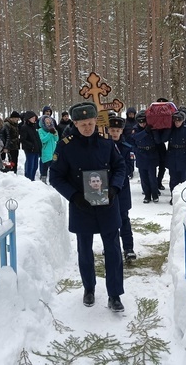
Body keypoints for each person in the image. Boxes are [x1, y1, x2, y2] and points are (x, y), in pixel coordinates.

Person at [49, 101, 126, 312]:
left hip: (107, 206)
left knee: (113, 251)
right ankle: (89, 288)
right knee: (85, 251)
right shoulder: (66, 145)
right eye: (82, 124)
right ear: (74, 123)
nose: (87, 128)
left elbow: (120, 167)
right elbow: (55, 176)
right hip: (81, 207)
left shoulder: (107, 142)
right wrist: (74, 196)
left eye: (90, 123)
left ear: (95, 121)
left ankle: (114, 294)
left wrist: (114, 189)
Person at [107, 117, 136, 260]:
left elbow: (130, 169)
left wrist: (117, 174)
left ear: (121, 131)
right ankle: (110, 247)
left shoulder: (127, 148)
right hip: (106, 188)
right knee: (108, 219)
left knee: (124, 218)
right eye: (112, 130)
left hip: (122, 188)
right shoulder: (103, 146)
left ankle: (128, 247)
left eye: (117, 130)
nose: (114, 133)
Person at [162, 110, 186, 205]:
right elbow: (163, 139)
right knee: (173, 179)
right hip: (172, 155)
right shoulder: (171, 129)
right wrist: (168, 129)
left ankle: (183, 198)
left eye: (179, 121)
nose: (177, 123)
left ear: (183, 120)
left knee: (183, 179)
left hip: (183, 155)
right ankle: (174, 197)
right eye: (175, 121)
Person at [132, 110, 160, 203]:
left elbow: (158, 140)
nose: (142, 124)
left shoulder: (151, 128)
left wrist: (153, 130)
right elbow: (135, 138)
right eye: (140, 123)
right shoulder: (135, 129)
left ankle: (155, 194)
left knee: (152, 177)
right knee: (143, 177)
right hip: (141, 153)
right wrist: (145, 132)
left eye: (144, 122)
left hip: (151, 153)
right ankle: (147, 195)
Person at [19, 111, 41, 181]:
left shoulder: (35, 126)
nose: (34, 119)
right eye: (32, 118)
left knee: (35, 166)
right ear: (28, 118)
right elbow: (22, 139)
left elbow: (37, 138)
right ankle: (28, 180)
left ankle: (33, 179)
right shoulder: (24, 127)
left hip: (36, 149)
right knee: (30, 166)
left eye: (34, 118)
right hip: (29, 149)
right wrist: (31, 146)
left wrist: (39, 146)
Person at [37, 114, 58, 184]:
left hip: (53, 152)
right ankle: (43, 180)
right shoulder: (41, 130)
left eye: (49, 122)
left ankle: (53, 180)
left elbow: (56, 139)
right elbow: (43, 140)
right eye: (47, 122)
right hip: (45, 152)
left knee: (53, 168)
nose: (48, 124)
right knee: (44, 168)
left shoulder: (53, 129)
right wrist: (50, 133)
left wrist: (55, 133)